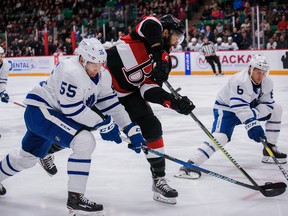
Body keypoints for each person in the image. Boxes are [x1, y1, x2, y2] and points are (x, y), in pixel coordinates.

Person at [38, 14, 195, 205]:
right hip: (100, 90)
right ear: (165, 31)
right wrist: (157, 53)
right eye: (176, 35)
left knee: (152, 127)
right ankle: (47, 150)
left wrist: (172, 102)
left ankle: (159, 179)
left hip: (128, 95)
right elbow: (151, 23)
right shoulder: (144, 33)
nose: (178, 41)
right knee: (81, 130)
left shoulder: (165, 62)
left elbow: (148, 89)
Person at [0, 38, 145, 215]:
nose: (98, 68)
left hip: (49, 115)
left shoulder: (102, 74)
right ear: (82, 59)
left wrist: (129, 128)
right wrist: (103, 124)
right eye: (94, 64)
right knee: (84, 141)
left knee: (27, 158)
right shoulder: (70, 71)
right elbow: (73, 111)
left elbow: (110, 104)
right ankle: (75, 198)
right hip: (40, 112)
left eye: (101, 63)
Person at [175, 54, 287, 180]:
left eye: (263, 72)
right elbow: (238, 106)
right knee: (221, 137)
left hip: (248, 107)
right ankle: (190, 165)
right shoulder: (240, 80)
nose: (261, 76)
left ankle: (269, 149)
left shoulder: (268, 82)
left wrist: (253, 115)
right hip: (226, 109)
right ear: (250, 69)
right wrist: (252, 123)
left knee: (277, 109)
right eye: (258, 72)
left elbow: (268, 104)